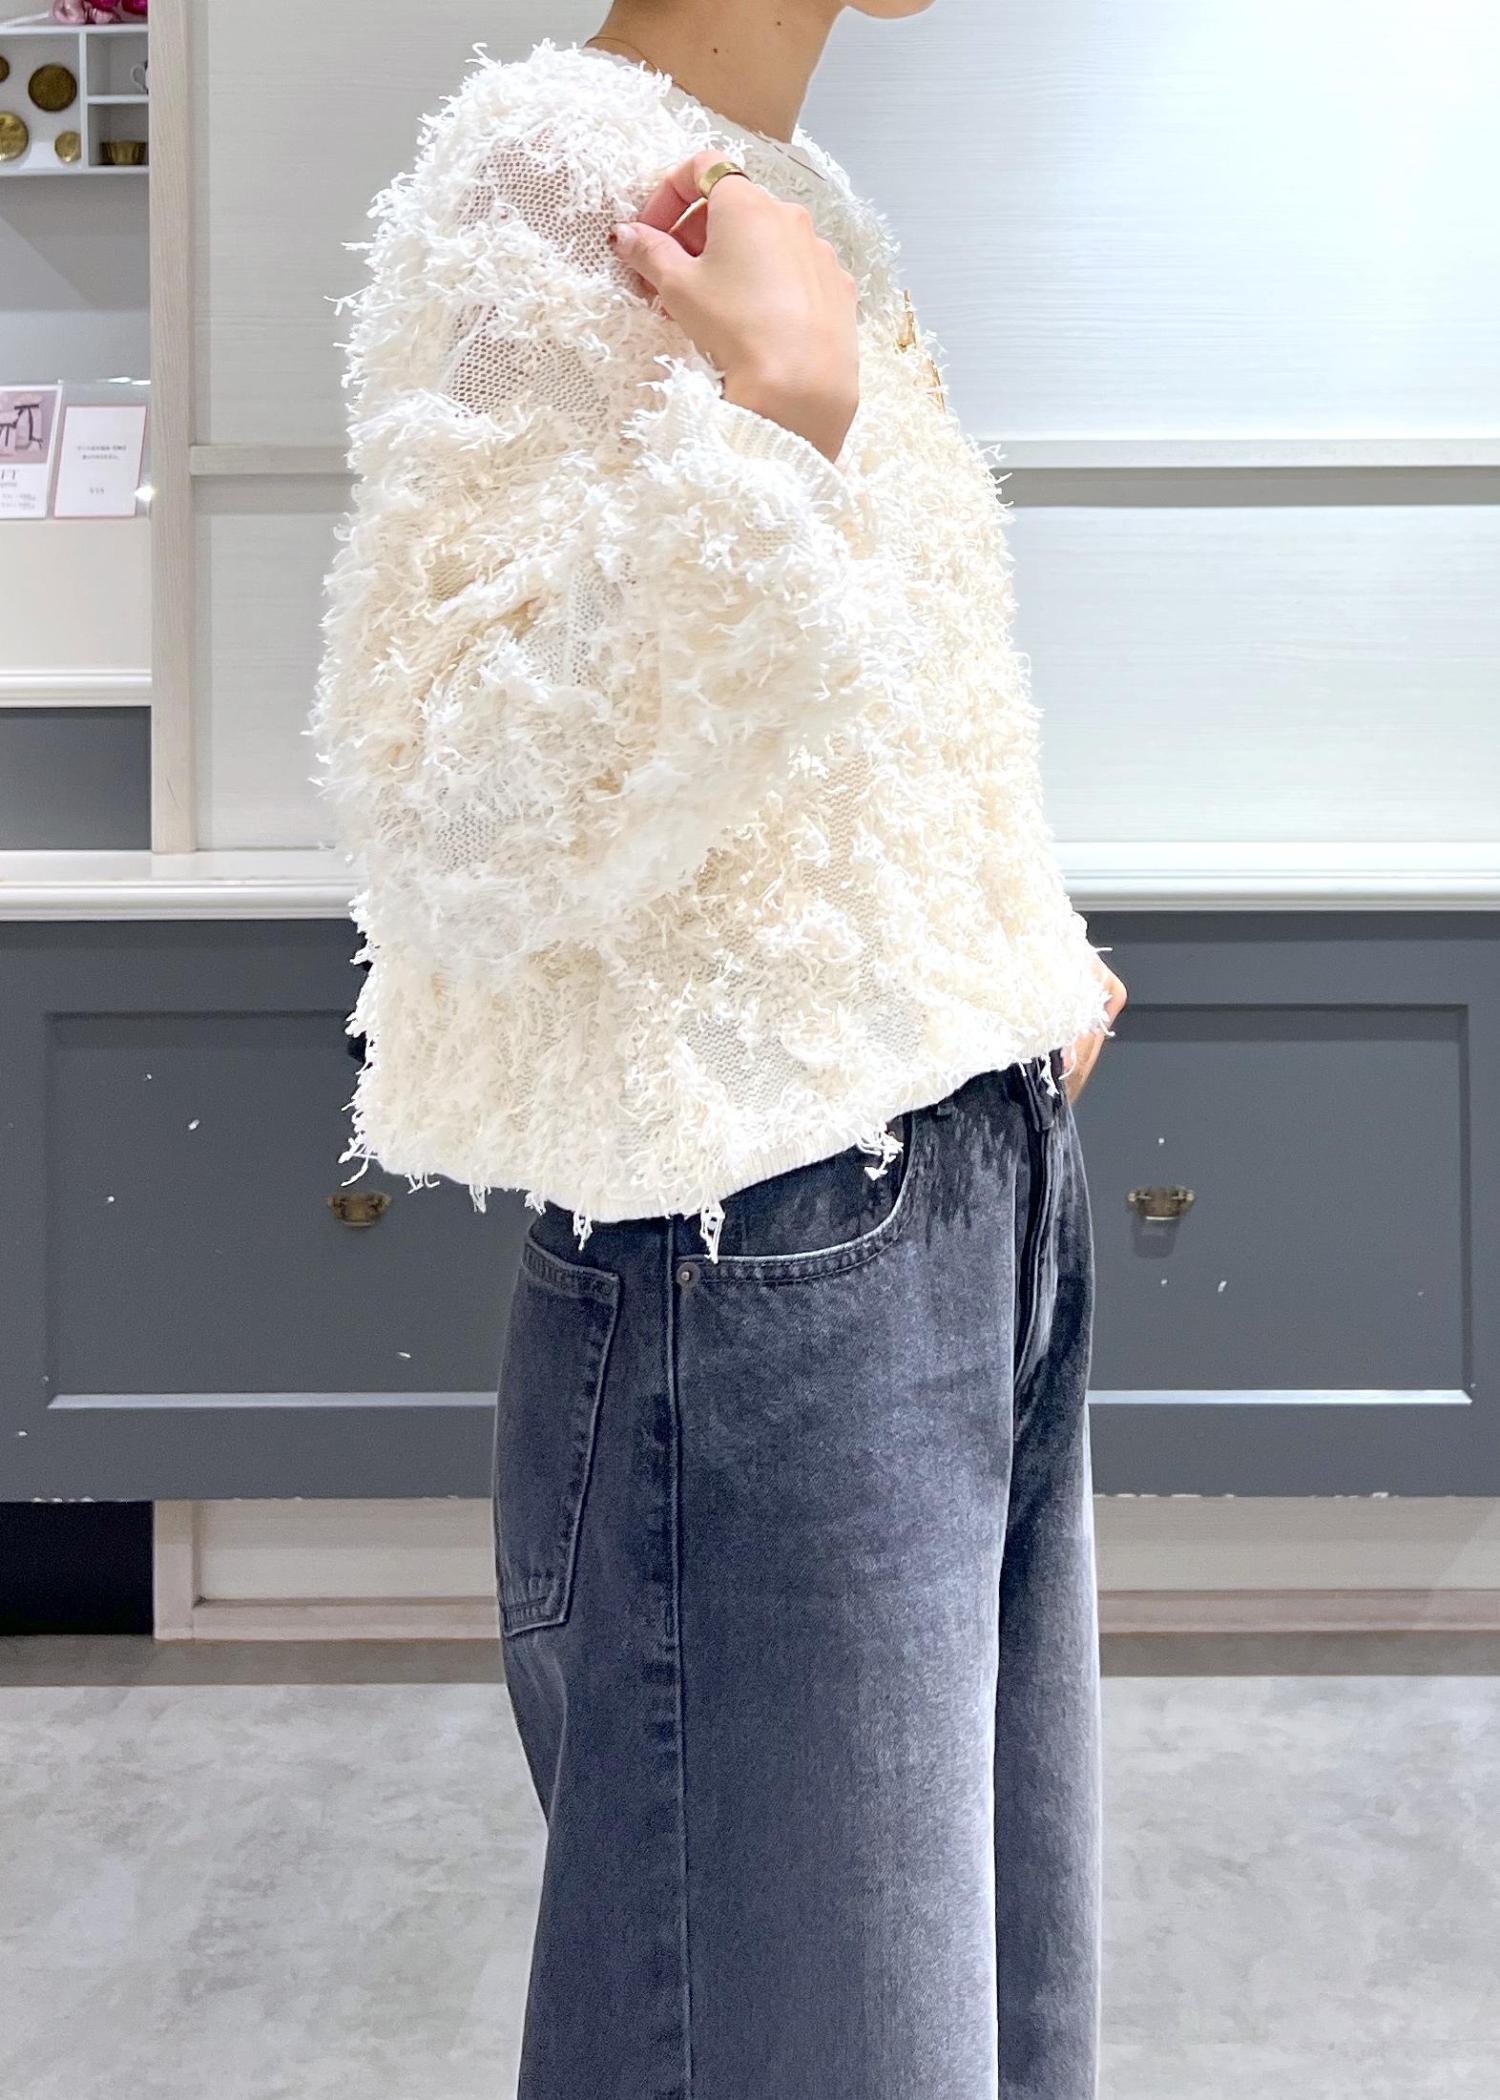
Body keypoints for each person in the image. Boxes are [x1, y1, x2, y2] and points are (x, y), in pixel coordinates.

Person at [311, 3, 1128, 2093]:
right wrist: (774, 422)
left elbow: (845, 739)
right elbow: (458, 809)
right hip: (763, 1252)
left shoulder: (802, 192)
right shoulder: (543, 173)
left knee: (980, 2024)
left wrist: (1004, 954)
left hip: (961, 1200)